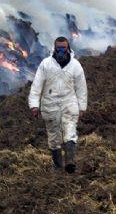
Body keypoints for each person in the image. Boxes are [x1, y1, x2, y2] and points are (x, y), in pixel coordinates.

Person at [28, 36, 87, 173]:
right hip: (50, 102)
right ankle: (58, 166)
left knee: (70, 130)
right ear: (54, 48)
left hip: (69, 101)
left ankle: (70, 161)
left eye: (63, 48)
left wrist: (82, 106)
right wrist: (34, 105)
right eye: (58, 48)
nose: (61, 50)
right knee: (54, 136)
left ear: (68, 48)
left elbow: (81, 87)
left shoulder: (75, 65)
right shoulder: (46, 64)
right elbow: (37, 85)